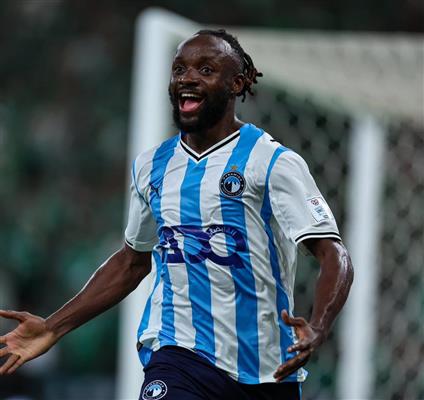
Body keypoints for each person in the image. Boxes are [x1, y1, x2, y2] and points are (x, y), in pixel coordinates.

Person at [0, 29, 353, 400]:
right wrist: (53, 327)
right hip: (179, 356)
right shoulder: (152, 166)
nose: (187, 78)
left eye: (206, 70)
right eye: (180, 69)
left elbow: (334, 254)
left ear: (236, 84)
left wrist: (318, 326)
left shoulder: (272, 162)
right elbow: (131, 262)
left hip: (266, 371)